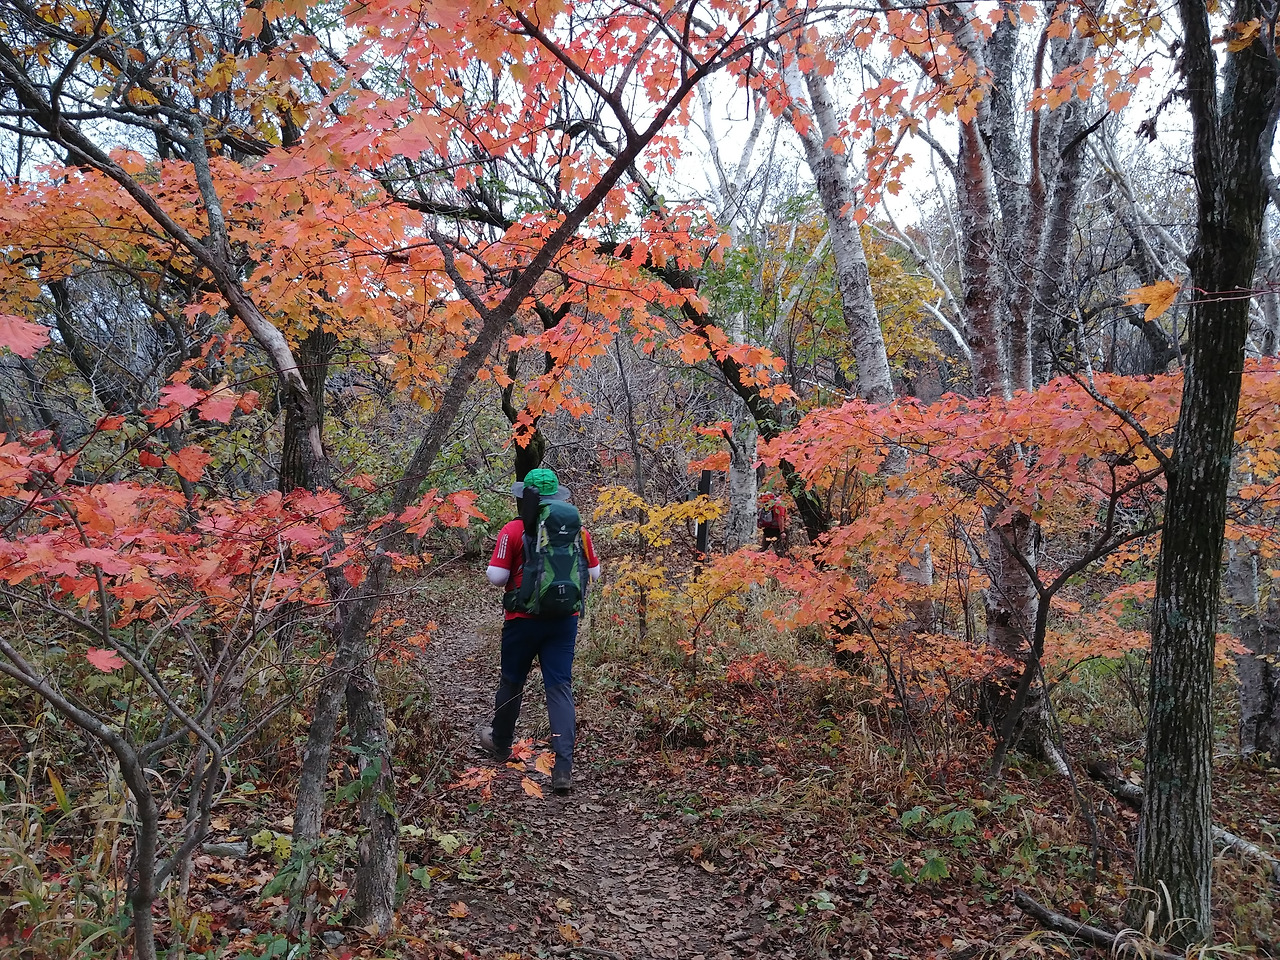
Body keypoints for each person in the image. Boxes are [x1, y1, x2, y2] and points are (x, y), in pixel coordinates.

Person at [479, 467, 600, 794]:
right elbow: (595, 574)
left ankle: (501, 743)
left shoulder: (513, 529)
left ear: (525, 498)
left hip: (521, 620)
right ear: (557, 498)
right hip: (564, 621)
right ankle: (563, 768)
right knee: (559, 688)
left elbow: (496, 577)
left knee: (512, 681)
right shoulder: (577, 530)